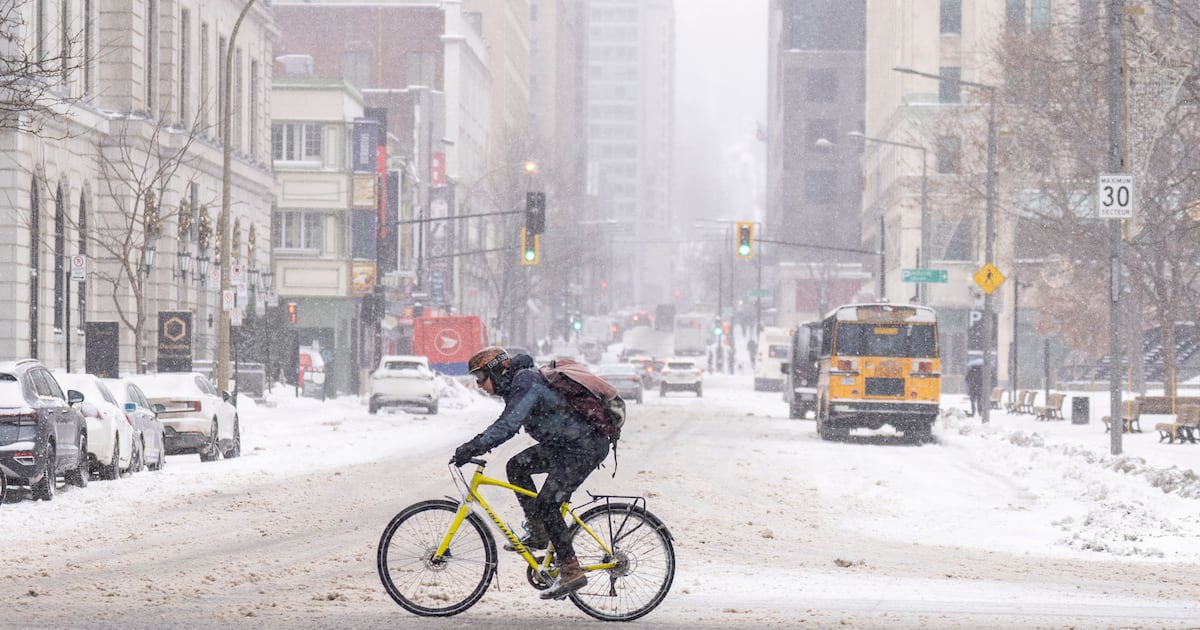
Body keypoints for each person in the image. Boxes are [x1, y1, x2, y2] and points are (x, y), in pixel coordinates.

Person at [451, 346, 611, 600]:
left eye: (481, 377)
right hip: (566, 445)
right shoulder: (518, 382)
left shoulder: (525, 381)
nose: (479, 384)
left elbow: (508, 425)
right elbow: (509, 421)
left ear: (496, 371)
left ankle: (571, 570)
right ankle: (539, 532)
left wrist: (473, 446)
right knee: (517, 466)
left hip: (584, 447)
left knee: (548, 503)